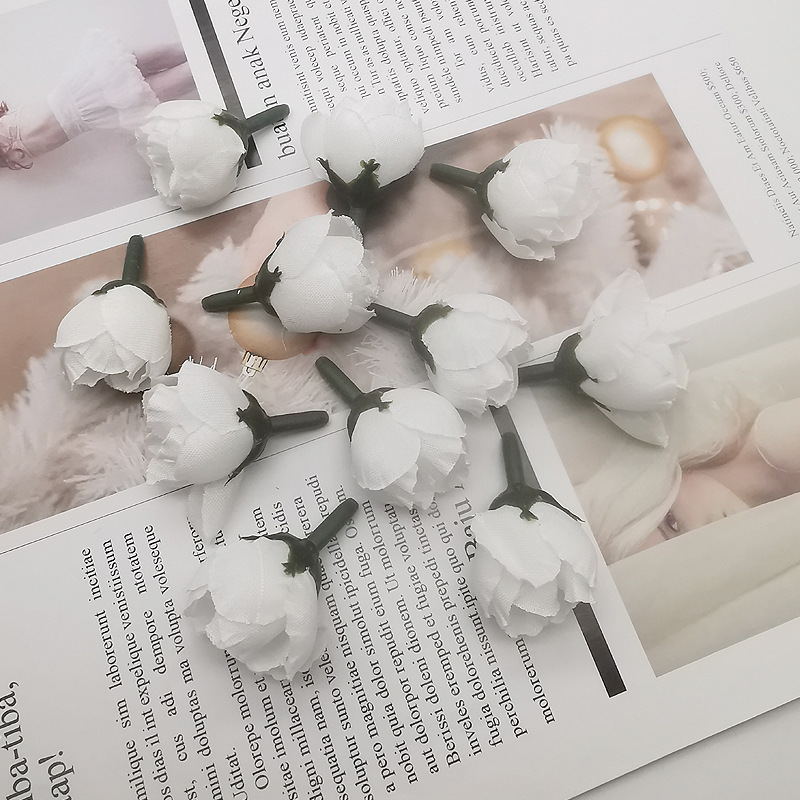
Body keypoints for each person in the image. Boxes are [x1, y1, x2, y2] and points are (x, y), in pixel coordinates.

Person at [0, 30, 194, 170]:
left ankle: (202, 40)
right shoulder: (10, 154)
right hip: (92, 109)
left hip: (81, 84)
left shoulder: (8, 139)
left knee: (179, 52)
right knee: (186, 72)